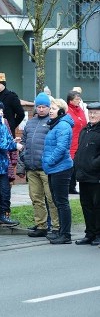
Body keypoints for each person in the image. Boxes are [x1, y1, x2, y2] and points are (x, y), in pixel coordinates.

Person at [17, 93, 59, 238]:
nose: (41, 109)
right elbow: (23, 143)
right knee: (36, 198)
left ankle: (56, 226)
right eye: (39, 107)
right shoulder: (30, 122)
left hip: (46, 168)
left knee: (51, 198)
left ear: (49, 107)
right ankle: (41, 225)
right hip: (31, 167)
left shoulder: (52, 122)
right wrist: (22, 163)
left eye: (44, 107)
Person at [42, 98, 75, 244]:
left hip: (61, 169)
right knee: (57, 201)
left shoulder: (63, 126)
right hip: (53, 169)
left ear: (61, 111)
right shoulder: (55, 125)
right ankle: (61, 231)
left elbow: (61, 148)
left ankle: (66, 235)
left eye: (53, 109)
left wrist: (49, 161)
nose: (50, 111)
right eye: (50, 108)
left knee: (62, 202)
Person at [73, 102, 100, 245]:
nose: (92, 115)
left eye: (95, 113)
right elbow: (80, 150)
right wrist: (77, 161)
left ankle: (98, 234)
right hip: (83, 175)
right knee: (86, 205)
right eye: (90, 113)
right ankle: (89, 233)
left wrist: (92, 164)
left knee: (97, 206)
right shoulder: (85, 130)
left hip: (96, 176)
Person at [66, 90, 87, 195]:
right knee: (71, 165)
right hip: (71, 141)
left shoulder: (80, 110)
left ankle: (73, 186)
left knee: (77, 164)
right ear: (70, 101)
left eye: (79, 99)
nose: (79, 101)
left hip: (80, 140)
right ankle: (70, 186)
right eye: (76, 99)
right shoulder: (67, 110)